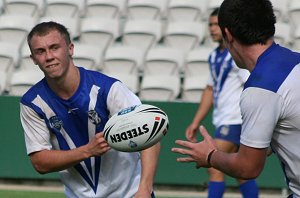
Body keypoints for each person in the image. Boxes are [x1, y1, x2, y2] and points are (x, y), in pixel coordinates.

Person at [172, 0, 300, 197]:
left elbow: (248, 168)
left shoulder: (260, 89)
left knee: (222, 170)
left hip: (232, 120)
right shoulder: (295, 60)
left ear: (228, 35)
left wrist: (210, 155)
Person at [20, 21, 160, 198]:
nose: (49, 56)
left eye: (54, 47)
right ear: (33, 59)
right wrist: (87, 150)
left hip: (130, 194)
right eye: (40, 51)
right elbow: (40, 162)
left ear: (70, 49)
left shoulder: (108, 88)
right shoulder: (33, 102)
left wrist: (145, 189)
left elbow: (150, 135)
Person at [185, 8, 258, 198]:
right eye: (210, 25)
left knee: (213, 166)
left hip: (235, 119)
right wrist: (195, 121)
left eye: (216, 25)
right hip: (224, 119)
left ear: (227, 28)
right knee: (241, 173)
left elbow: (251, 84)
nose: (212, 29)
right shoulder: (214, 56)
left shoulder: (237, 55)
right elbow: (210, 89)